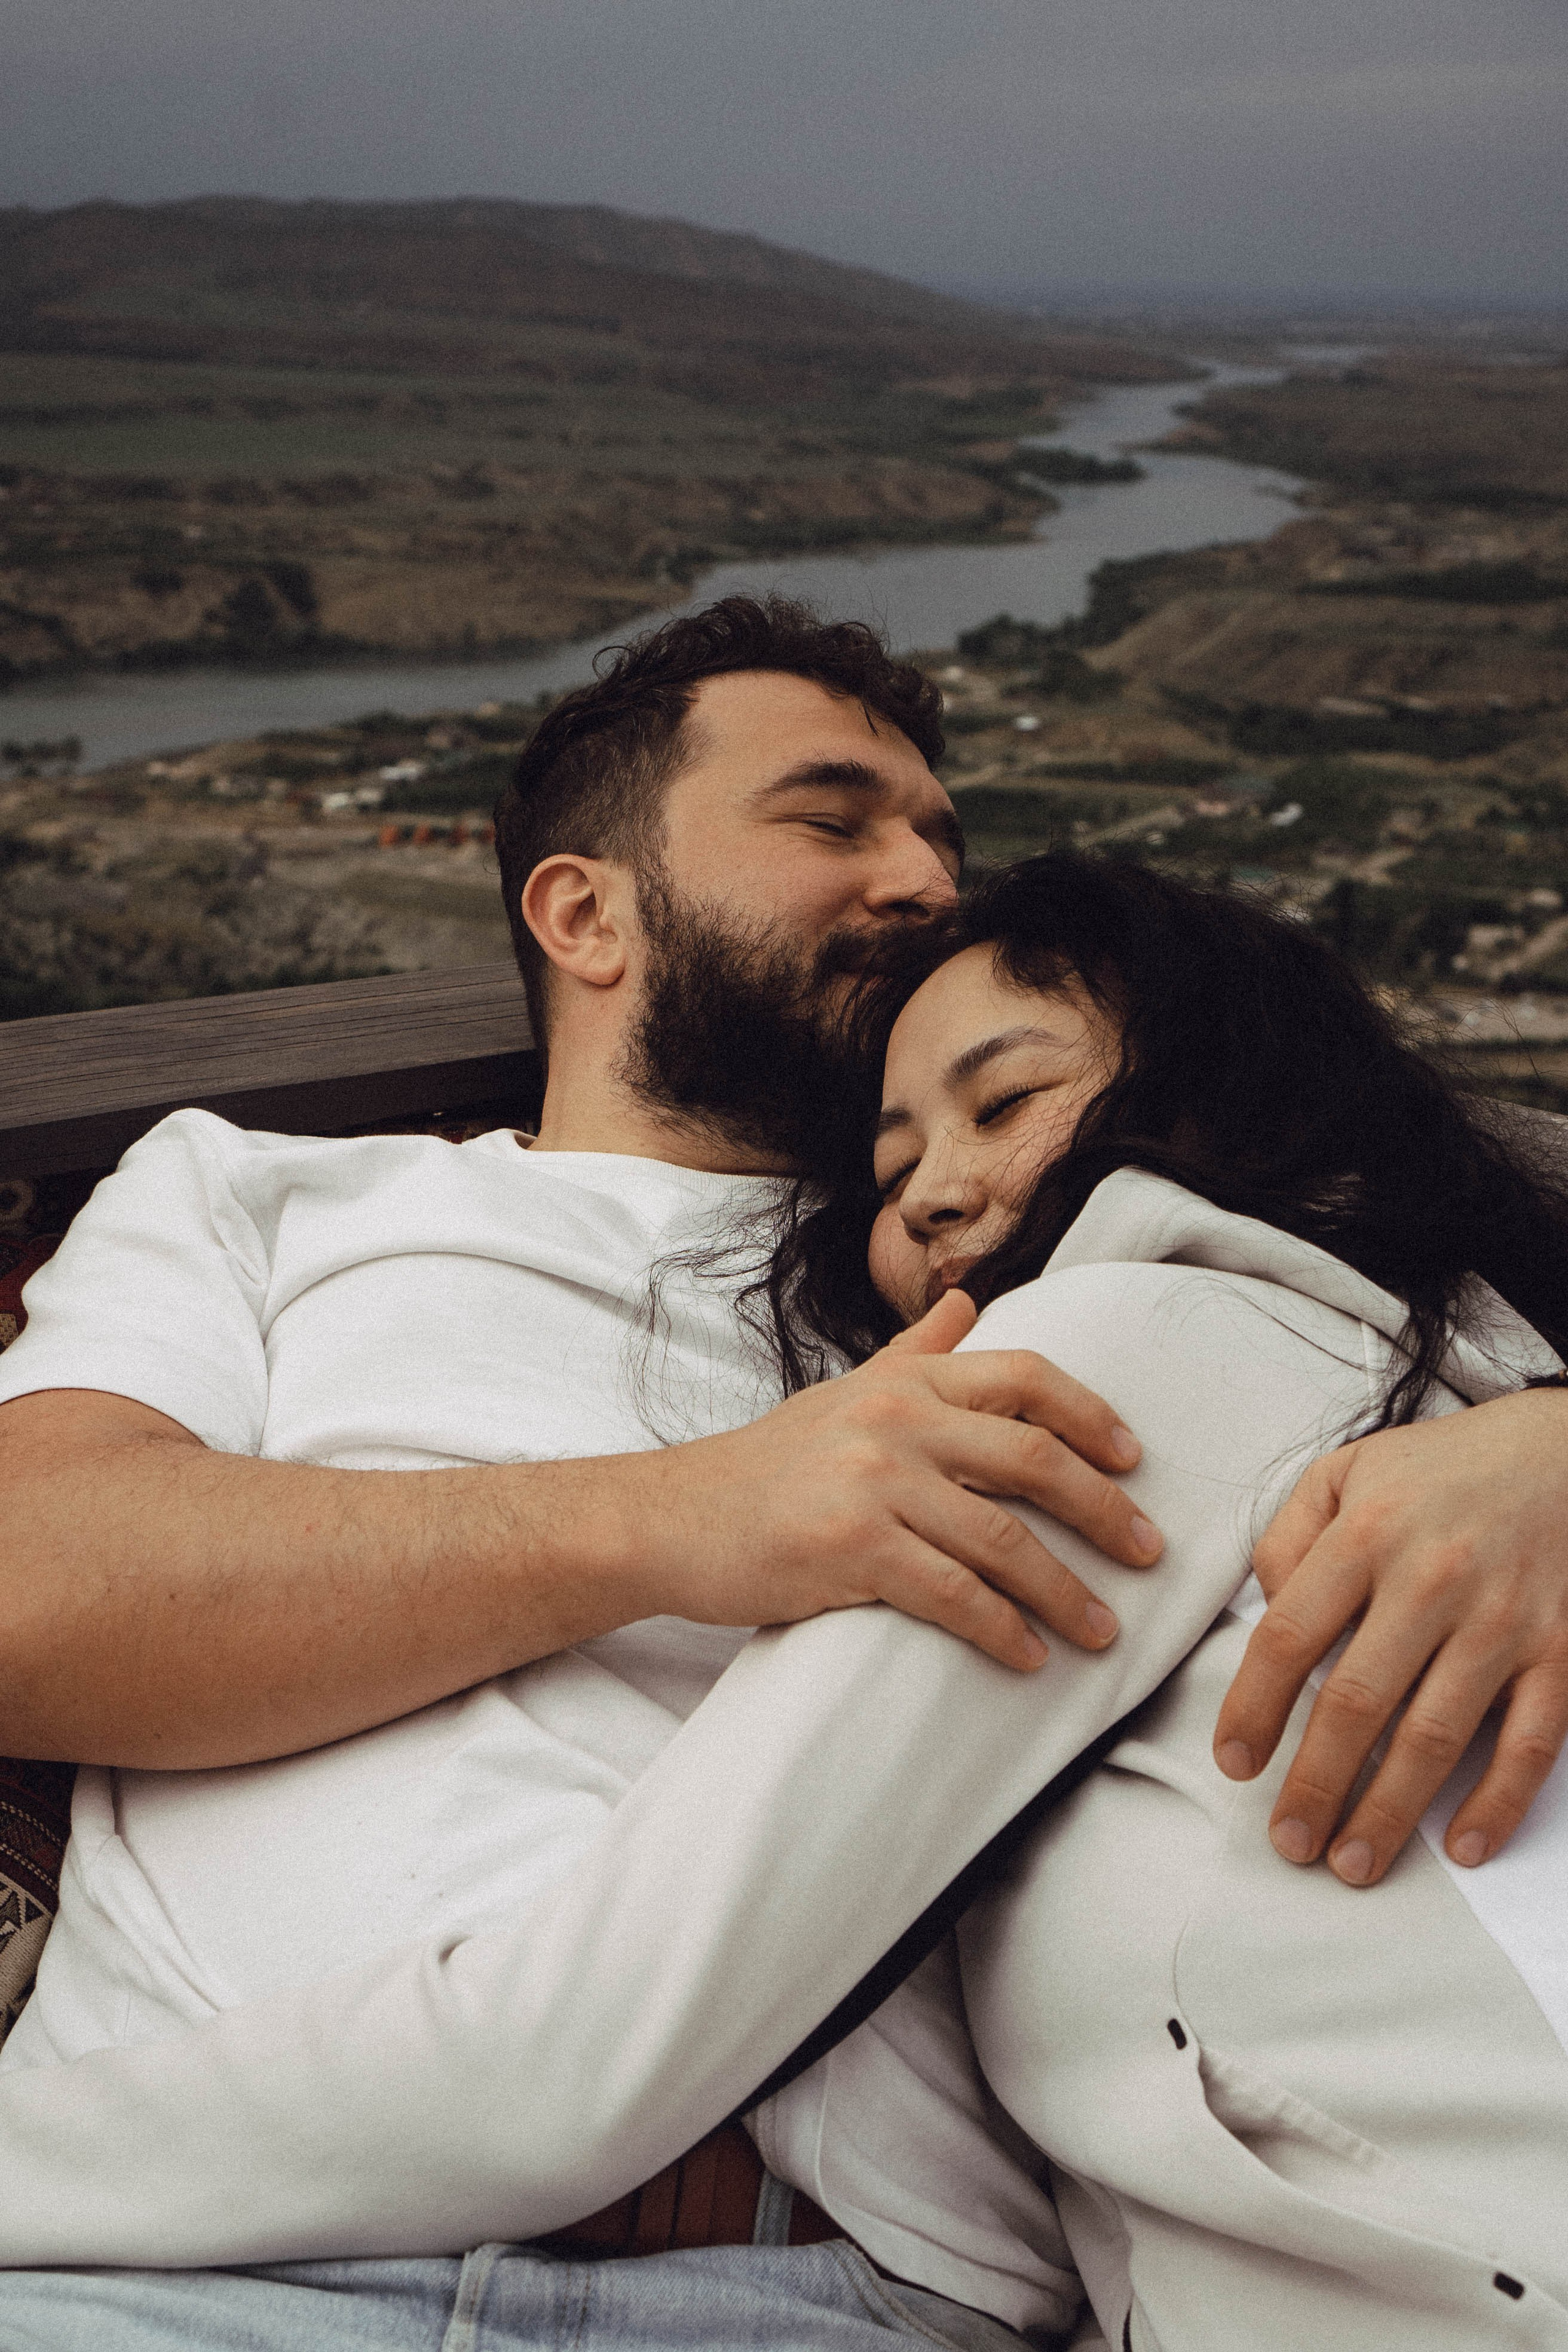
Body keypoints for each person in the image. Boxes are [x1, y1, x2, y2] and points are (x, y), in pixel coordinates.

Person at [0, 606, 1566, 2350]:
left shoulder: (1020, 1282)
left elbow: (1371, 1282)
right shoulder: (269, 1197)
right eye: (834, 822)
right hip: (174, 2253)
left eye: (941, 839)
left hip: (836, 2287)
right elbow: (36, 1595)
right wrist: (677, 1522)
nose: (919, 881)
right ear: (583, 910)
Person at [791, 851, 1568, 2346]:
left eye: (1003, 1105)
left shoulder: (1110, 1339)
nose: (940, 1190)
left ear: (1215, 1090)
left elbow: (603, 2032)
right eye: (891, 1177)